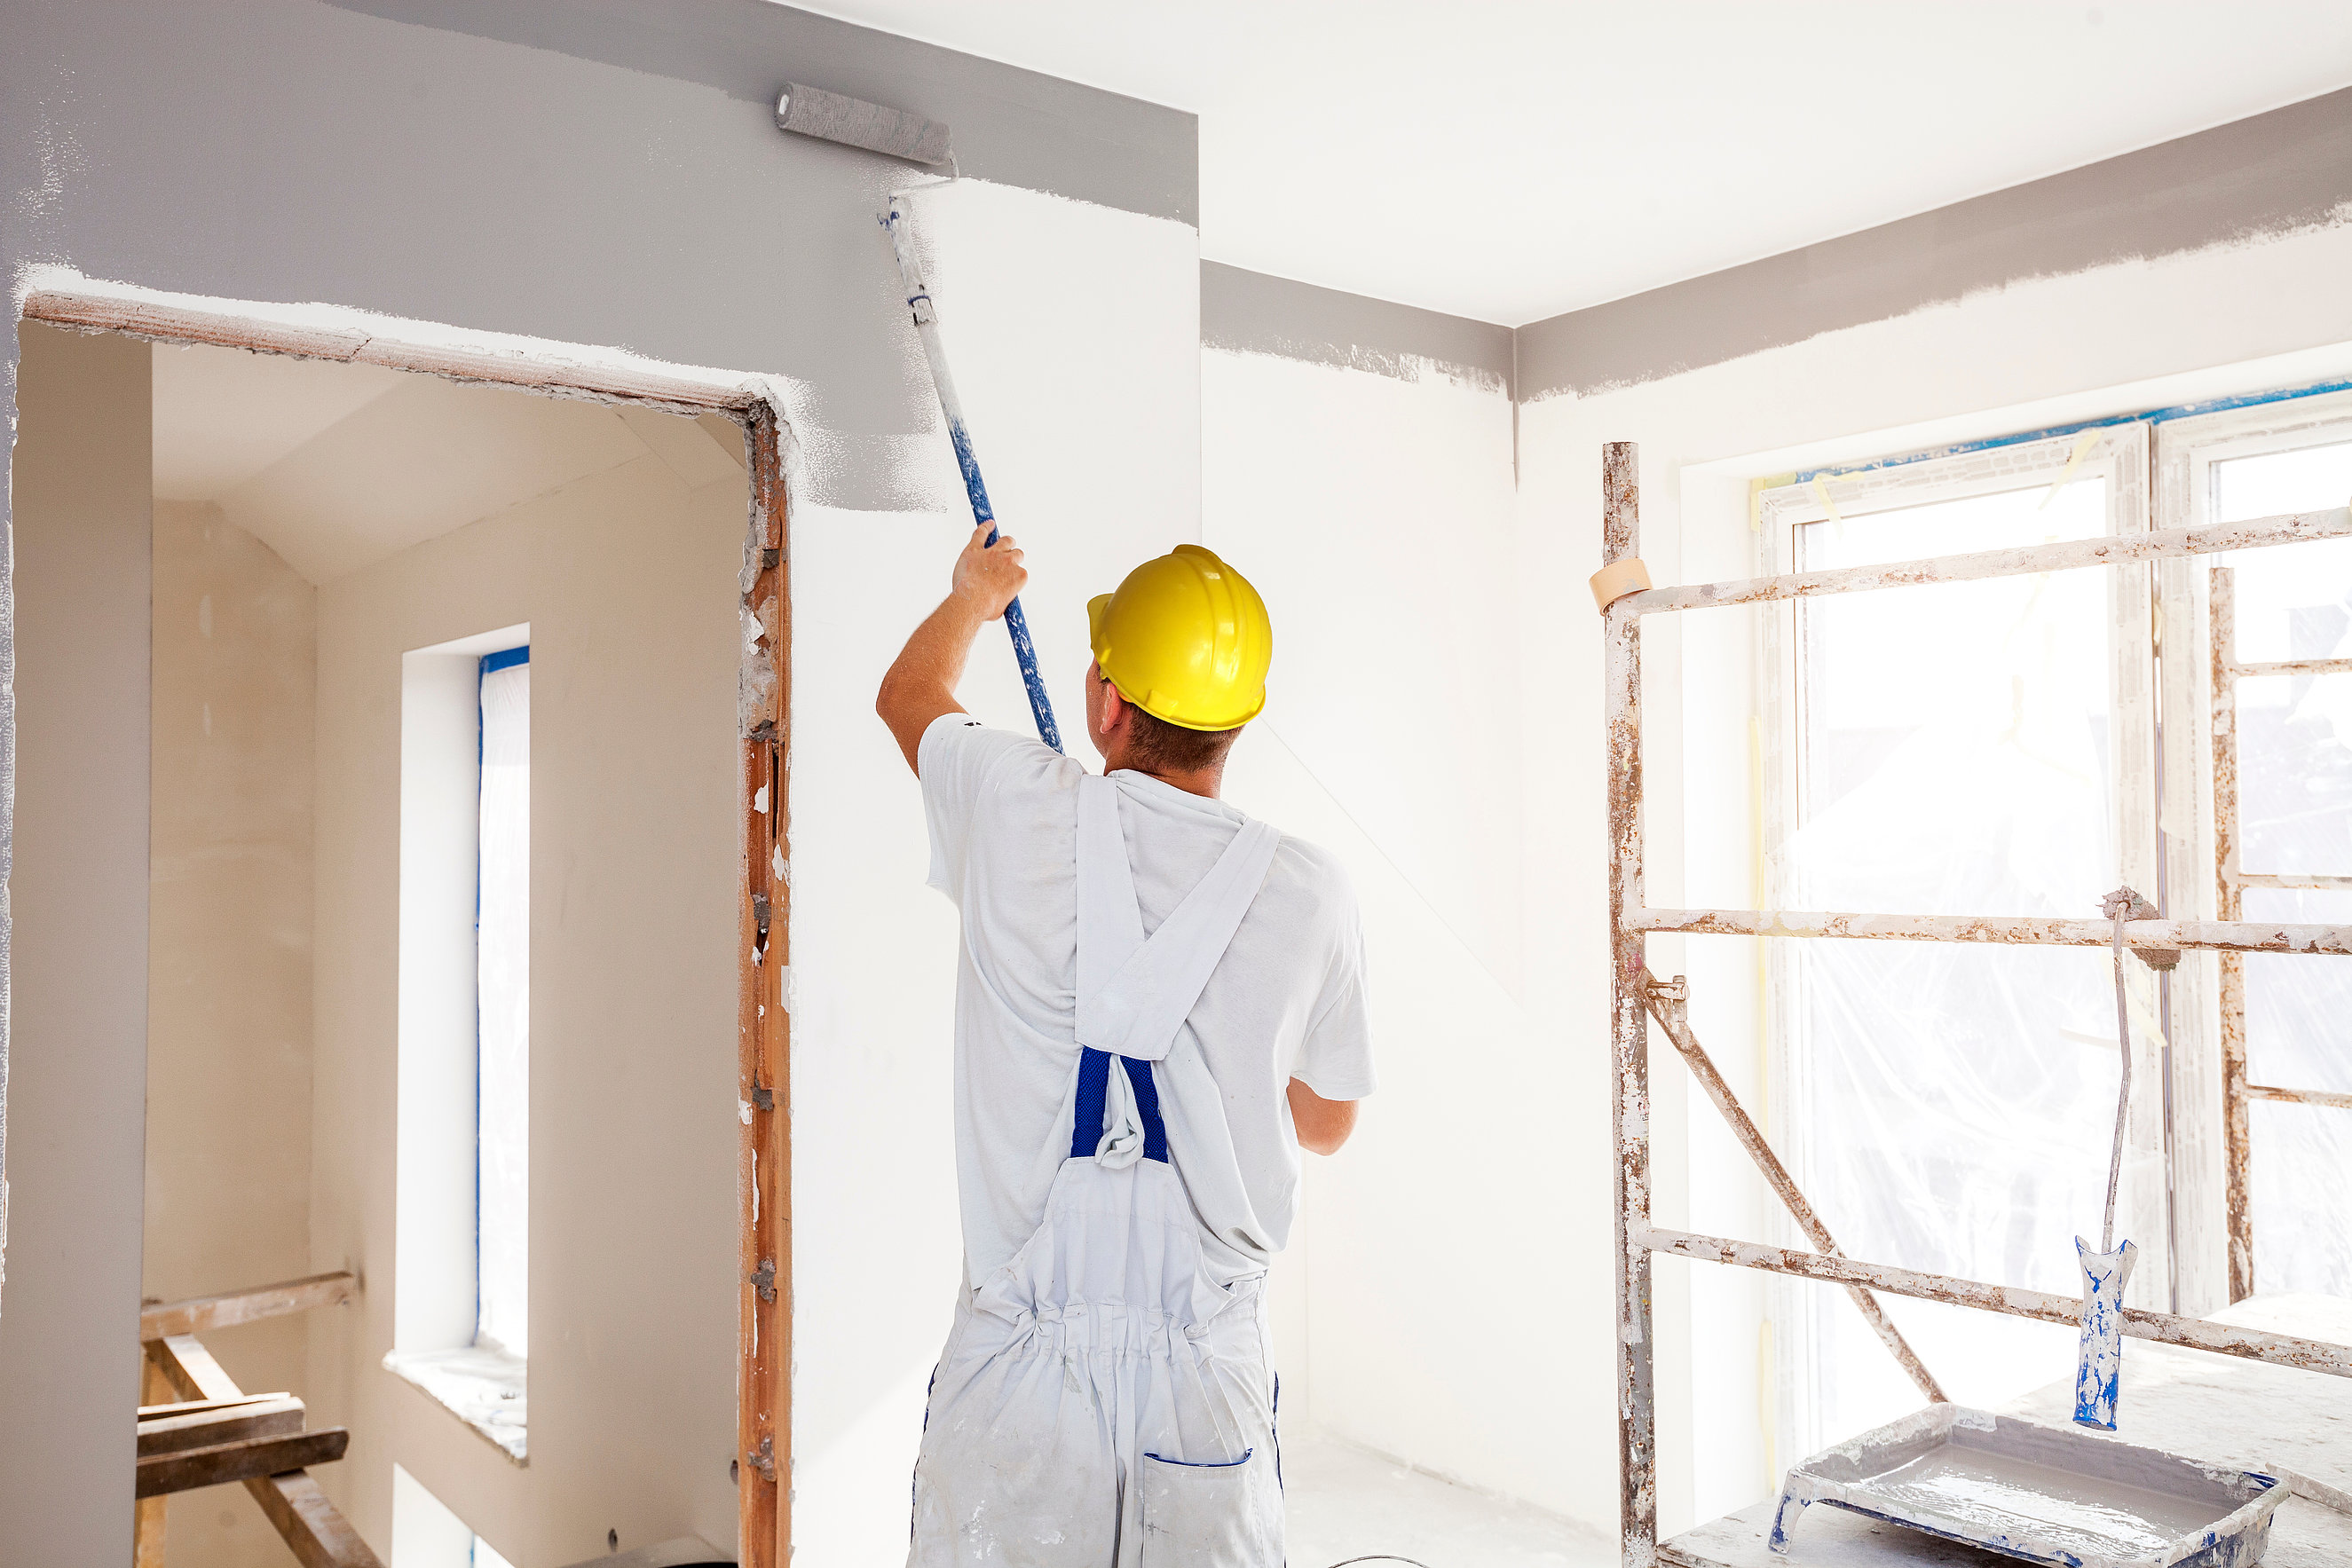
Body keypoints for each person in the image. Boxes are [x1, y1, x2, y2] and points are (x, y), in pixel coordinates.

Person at [876, 524, 1375, 1567]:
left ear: (1106, 702)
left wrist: (975, 593)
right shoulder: (1311, 892)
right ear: (1238, 723)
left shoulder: (1010, 801)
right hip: (1204, 1389)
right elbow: (1327, 1125)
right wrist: (1238, 1050)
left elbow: (908, 695)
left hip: (1015, 1385)